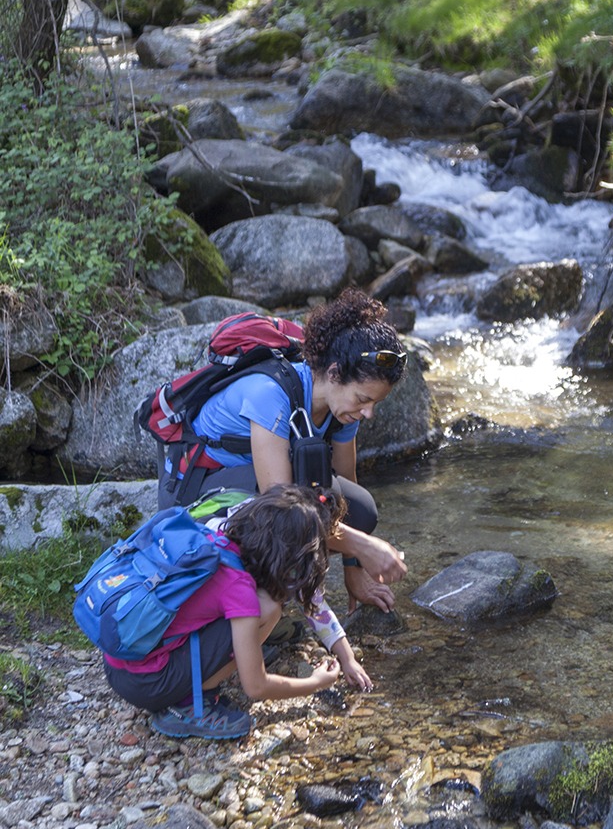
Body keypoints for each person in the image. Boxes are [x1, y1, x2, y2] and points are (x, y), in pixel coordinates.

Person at [157, 288, 409, 613]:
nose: (369, 412)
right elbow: (282, 510)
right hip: (200, 492)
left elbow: (347, 490)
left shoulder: (344, 407)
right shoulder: (270, 393)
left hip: (255, 485)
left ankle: (279, 583)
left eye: (376, 403)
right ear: (333, 373)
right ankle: (251, 607)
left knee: (360, 509)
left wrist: (354, 570)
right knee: (290, 518)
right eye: (363, 399)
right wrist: (362, 546)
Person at [104, 484, 371, 740]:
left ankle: (211, 670)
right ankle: (187, 707)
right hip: (146, 685)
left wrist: (346, 657)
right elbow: (255, 687)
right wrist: (315, 682)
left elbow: (313, 602)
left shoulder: (216, 537)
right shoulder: (239, 588)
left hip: (118, 661)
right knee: (269, 608)